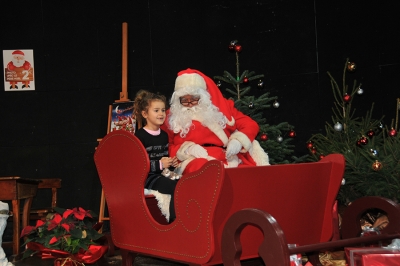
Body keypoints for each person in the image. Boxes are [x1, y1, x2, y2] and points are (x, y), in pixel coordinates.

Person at [161, 68, 270, 175]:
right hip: (193, 160)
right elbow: (165, 147)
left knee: (246, 175)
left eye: (194, 98)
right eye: (184, 100)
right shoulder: (170, 116)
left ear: (202, 96)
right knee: (203, 169)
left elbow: (250, 125)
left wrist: (238, 141)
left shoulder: (222, 107)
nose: (189, 103)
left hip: (225, 157)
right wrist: (187, 149)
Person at [134, 90, 180, 222]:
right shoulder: (140, 136)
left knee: (184, 183)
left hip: (162, 173)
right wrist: (160, 164)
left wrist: (172, 164)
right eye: (156, 110)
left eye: (163, 110)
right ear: (144, 114)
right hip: (148, 177)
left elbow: (164, 158)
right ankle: (173, 220)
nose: (161, 114)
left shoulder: (164, 135)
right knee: (175, 187)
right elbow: (139, 165)